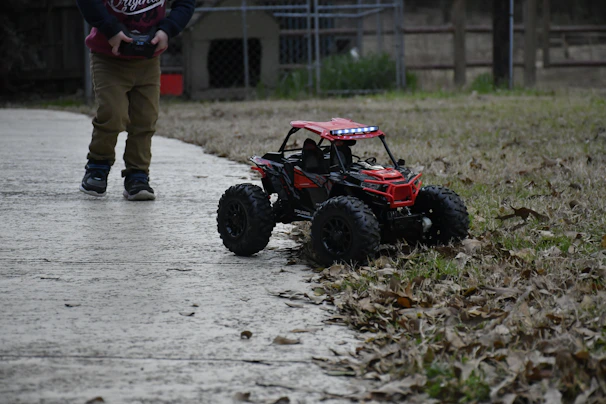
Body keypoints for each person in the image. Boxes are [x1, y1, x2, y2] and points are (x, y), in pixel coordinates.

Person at [76, 0, 195, 200]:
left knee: (145, 119)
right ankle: (98, 165)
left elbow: (185, 3)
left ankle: (137, 175)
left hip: (148, 60)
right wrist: (110, 29)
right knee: (113, 114)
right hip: (109, 57)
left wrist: (167, 30)